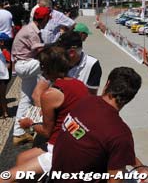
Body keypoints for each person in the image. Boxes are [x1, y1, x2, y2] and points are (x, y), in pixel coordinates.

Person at [1, 46, 88, 182]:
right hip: (74, 139)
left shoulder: (50, 94)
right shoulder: (80, 85)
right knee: (21, 158)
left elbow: (47, 132)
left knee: (5, 177)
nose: (41, 69)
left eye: (42, 65)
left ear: (49, 68)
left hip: (59, 146)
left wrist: (29, 124)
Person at [51, 67, 143, 182]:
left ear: (108, 84)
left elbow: (113, 148)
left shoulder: (86, 101)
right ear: (130, 97)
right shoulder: (120, 133)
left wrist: (139, 166)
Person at [11, 6, 51, 145]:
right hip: (25, 65)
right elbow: (40, 50)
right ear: (44, 18)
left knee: (26, 98)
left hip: (23, 65)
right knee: (52, 64)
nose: (48, 21)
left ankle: (18, 133)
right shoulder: (32, 31)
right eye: (48, 19)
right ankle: (45, 122)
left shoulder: (30, 27)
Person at [0, 33, 11, 118]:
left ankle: (4, 111)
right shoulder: (4, 51)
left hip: (2, 76)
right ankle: (4, 111)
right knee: (2, 95)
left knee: (2, 95)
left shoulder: (4, 51)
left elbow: (8, 64)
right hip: (2, 76)